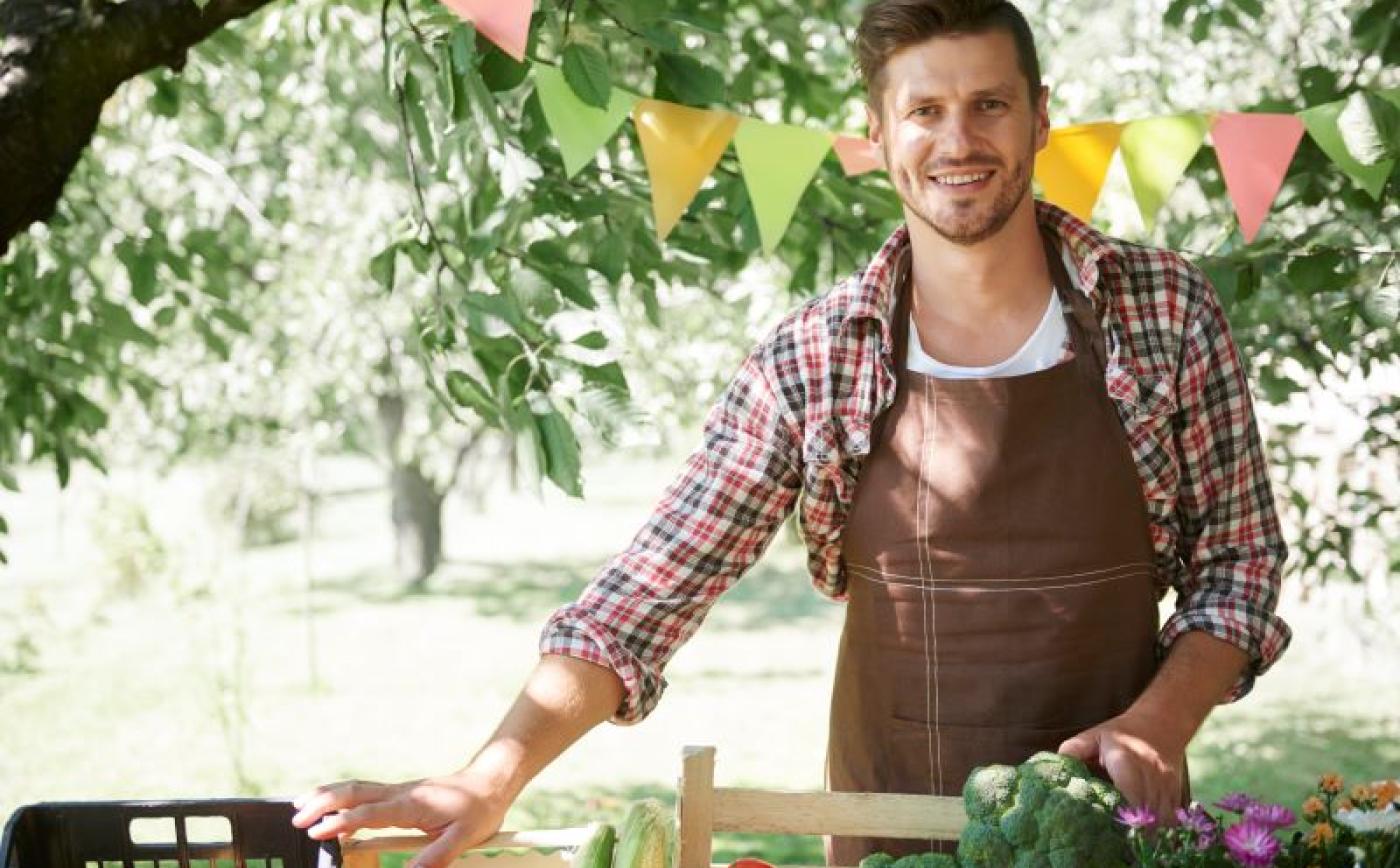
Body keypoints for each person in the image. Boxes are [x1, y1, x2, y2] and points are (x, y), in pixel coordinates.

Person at [291, 0, 1291, 864]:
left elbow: (1239, 561)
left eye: (989, 104)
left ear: (1039, 117)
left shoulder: (1161, 311)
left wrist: (1159, 723)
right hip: (885, 824)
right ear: (877, 133)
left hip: (1113, 829)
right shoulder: (814, 357)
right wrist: (489, 776)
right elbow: (649, 591)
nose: (958, 141)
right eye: (924, 111)